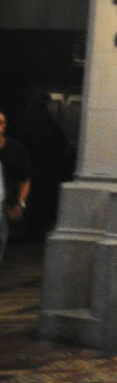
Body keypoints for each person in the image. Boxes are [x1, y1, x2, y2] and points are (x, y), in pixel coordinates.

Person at [1, 111, 34, 267]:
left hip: (4, 203)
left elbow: (24, 179)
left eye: (2, 123)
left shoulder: (15, 148)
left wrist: (20, 203)